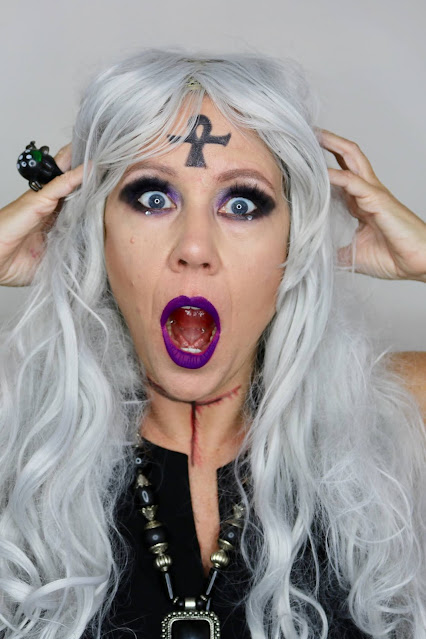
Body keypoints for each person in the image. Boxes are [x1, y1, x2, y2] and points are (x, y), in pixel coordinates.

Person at [0, 49, 425, 639]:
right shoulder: (15, 428)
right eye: (153, 198)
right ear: (99, 234)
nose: (195, 246)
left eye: (242, 204)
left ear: (293, 244)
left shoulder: (396, 415)